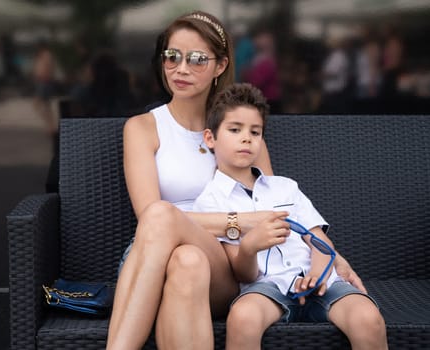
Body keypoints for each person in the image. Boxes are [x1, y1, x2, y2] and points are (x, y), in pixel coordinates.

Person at [107, 10, 366, 350]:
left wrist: (330, 256)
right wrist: (240, 221)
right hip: (153, 254)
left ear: (220, 66)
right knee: (182, 252)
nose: (181, 69)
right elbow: (148, 220)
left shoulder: (240, 132)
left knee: (174, 229)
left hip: (226, 263)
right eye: (172, 56)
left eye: (198, 59)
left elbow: (274, 212)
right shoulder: (143, 128)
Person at [193, 82, 388, 349]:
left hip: (320, 283)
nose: (247, 138)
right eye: (235, 129)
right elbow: (242, 273)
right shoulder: (210, 201)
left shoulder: (285, 187)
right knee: (243, 316)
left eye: (255, 132)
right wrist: (250, 246)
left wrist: (318, 274)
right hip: (266, 287)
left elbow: (318, 240)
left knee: (368, 318)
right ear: (210, 138)